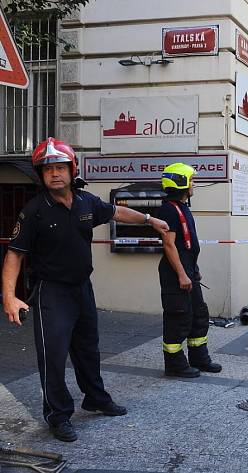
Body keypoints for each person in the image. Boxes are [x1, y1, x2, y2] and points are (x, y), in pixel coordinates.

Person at [1, 137, 170, 442]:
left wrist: (149, 218)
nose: (54, 173)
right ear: (41, 174)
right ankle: (58, 415)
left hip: (82, 288)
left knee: (88, 349)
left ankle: (95, 398)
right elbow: (14, 253)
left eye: (60, 167)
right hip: (51, 292)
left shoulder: (85, 201)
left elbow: (116, 212)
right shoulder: (35, 210)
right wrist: (10, 297)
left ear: (71, 169)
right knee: (53, 355)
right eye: (48, 168)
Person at [157, 163, 222, 377]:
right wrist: (182, 274)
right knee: (178, 317)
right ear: (181, 183)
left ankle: (199, 358)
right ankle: (175, 364)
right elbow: (169, 245)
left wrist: (193, 269)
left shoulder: (182, 207)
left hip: (189, 271)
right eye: (191, 180)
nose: (194, 184)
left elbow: (188, 246)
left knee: (198, 315)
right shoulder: (168, 209)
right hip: (176, 274)